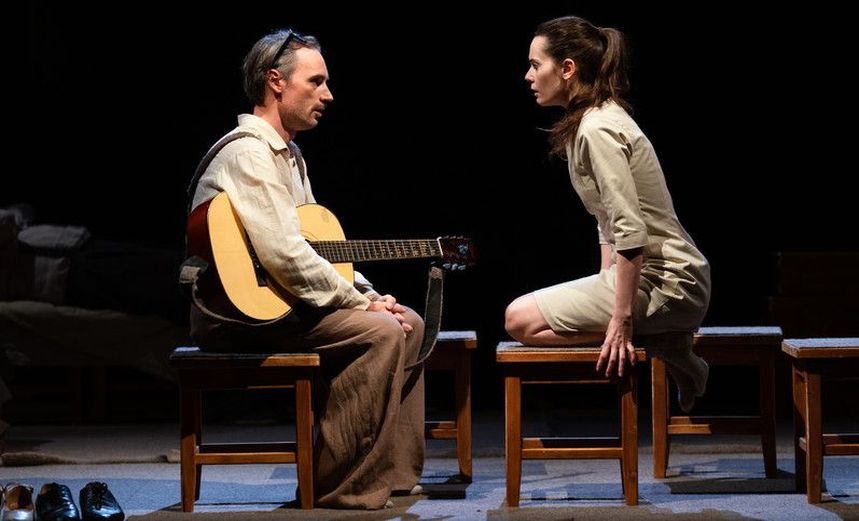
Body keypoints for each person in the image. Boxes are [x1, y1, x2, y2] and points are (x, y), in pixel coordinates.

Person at [186, 28, 424, 509]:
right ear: (276, 82)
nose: (328, 94)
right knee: (380, 332)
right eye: (316, 82)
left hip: (283, 305)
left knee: (408, 322)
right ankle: (340, 486)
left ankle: (393, 474)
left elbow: (318, 246)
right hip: (234, 314)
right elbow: (285, 255)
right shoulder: (248, 152)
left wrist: (368, 293)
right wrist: (363, 306)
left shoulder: (289, 154)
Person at [505, 16, 711, 412]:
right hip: (651, 277)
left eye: (535, 65)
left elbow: (629, 230)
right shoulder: (590, 120)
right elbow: (607, 222)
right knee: (523, 319)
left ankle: (665, 343)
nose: (528, 76)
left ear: (567, 69)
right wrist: (607, 282)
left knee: (518, 319)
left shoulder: (597, 128)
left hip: (669, 281)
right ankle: (668, 342)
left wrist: (620, 320)